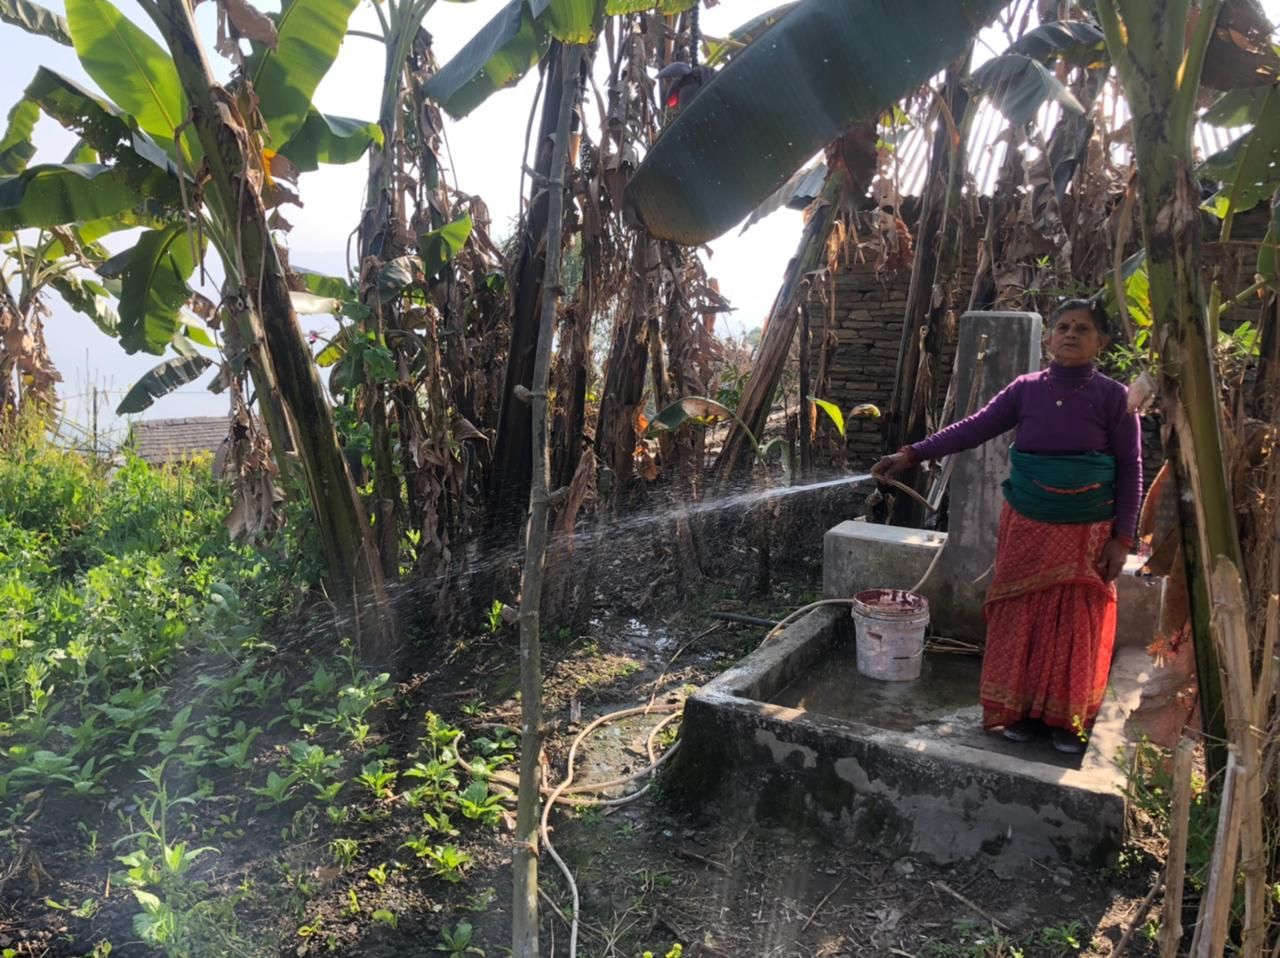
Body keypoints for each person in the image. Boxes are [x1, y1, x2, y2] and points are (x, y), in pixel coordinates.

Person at [872, 299, 1142, 754]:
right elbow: (974, 427)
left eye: (1083, 328)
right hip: (1027, 524)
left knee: (1074, 620)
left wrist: (1123, 538)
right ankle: (1021, 713)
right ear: (1049, 339)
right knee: (1021, 613)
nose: (1071, 334)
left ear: (1102, 341)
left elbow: (1131, 469)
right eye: (1063, 326)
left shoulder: (1116, 398)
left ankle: (1065, 720)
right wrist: (913, 454)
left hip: (1086, 532)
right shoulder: (1026, 389)